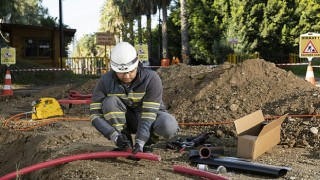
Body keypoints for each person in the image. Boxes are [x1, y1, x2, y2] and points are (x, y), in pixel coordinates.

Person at [89, 42, 179, 153]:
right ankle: (125, 142)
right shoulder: (105, 81)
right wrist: (115, 136)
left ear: (136, 64)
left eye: (130, 71)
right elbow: (95, 115)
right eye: (121, 72)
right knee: (110, 102)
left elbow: (149, 113)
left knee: (169, 125)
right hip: (126, 120)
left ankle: (147, 143)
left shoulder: (151, 79)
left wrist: (140, 142)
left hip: (149, 118)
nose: (126, 76)